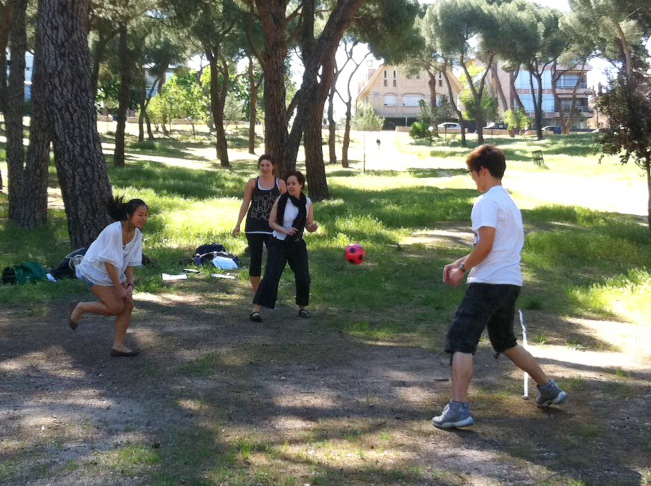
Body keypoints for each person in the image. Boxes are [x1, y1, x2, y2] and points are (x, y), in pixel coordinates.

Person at [433, 145, 567, 429]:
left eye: (472, 172)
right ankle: (548, 388)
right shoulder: (508, 202)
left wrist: (463, 269)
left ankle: (458, 408)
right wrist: (458, 261)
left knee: (461, 340)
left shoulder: (486, 202)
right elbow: (492, 247)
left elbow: (486, 245)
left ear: (482, 170)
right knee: (504, 341)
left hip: (488, 283)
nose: (472, 178)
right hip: (509, 282)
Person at [68, 196, 148, 357]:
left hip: (114, 273)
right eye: (140, 214)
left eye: (146, 215)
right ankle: (81, 307)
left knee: (128, 305)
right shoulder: (114, 231)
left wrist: (129, 285)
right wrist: (119, 288)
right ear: (129, 215)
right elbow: (108, 263)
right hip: (94, 271)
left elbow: (130, 263)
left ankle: (118, 346)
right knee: (115, 307)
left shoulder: (137, 235)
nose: (144, 218)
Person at [249, 171, 317, 322]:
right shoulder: (281, 200)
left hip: (297, 244)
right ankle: (256, 310)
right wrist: (284, 230)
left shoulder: (307, 202)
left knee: (303, 277)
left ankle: (302, 308)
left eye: (294, 184)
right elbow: (271, 222)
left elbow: (308, 224)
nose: (290, 186)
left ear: (301, 185)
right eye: (288, 184)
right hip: (279, 243)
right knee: (271, 276)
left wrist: (312, 227)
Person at [232, 155, 287, 294]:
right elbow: (245, 203)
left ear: (273, 167)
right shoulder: (252, 183)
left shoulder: (280, 184)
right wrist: (238, 224)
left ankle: (268, 290)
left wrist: (286, 226)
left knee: (273, 261)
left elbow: (286, 206)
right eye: (262, 165)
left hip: (272, 227)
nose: (265, 168)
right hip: (253, 226)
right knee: (255, 260)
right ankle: (257, 294)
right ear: (259, 167)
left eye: (268, 165)